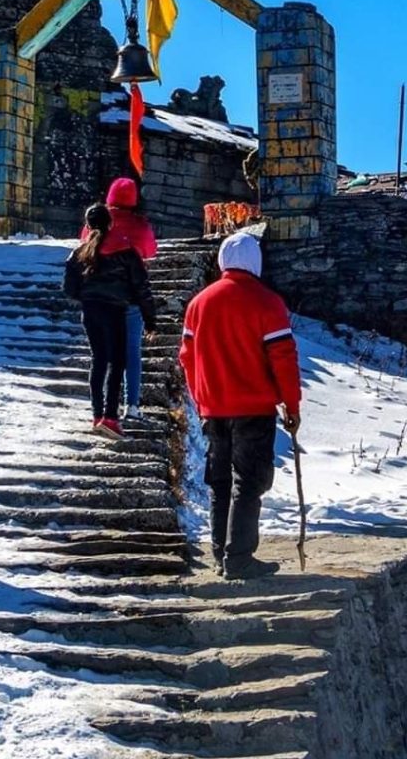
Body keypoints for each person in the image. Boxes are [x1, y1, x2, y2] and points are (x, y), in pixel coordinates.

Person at [179, 231, 301, 581]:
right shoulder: (267, 302)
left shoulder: (199, 303)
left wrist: (200, 397)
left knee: (218, 482)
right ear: (255, 262)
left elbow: (186, 357)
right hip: (253, 407)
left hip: (213, 407)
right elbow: (283, 358)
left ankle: (220, 554)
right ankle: (240, 557)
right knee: (247, 482)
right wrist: (291, 404)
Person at [64, 203, 157, 441]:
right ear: (110, 222)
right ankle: (111, 417)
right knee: (118, 362)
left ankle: (97, 415)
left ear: (87, 225)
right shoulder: (126, 251)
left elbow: (69, 288)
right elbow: (141, 287)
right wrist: (150, 319)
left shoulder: (78, 253)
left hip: (90, 311)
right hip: (115, 311)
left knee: (99, 360)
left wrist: (87, 297)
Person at [81, 177, 158, 422]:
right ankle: (132, 405)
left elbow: (84, 250)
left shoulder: (95, 224)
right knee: (131, 351)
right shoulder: (140, 225)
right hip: (130, 299)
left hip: (98, 301)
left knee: (102, 356)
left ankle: (100, 410)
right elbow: (151, 252)